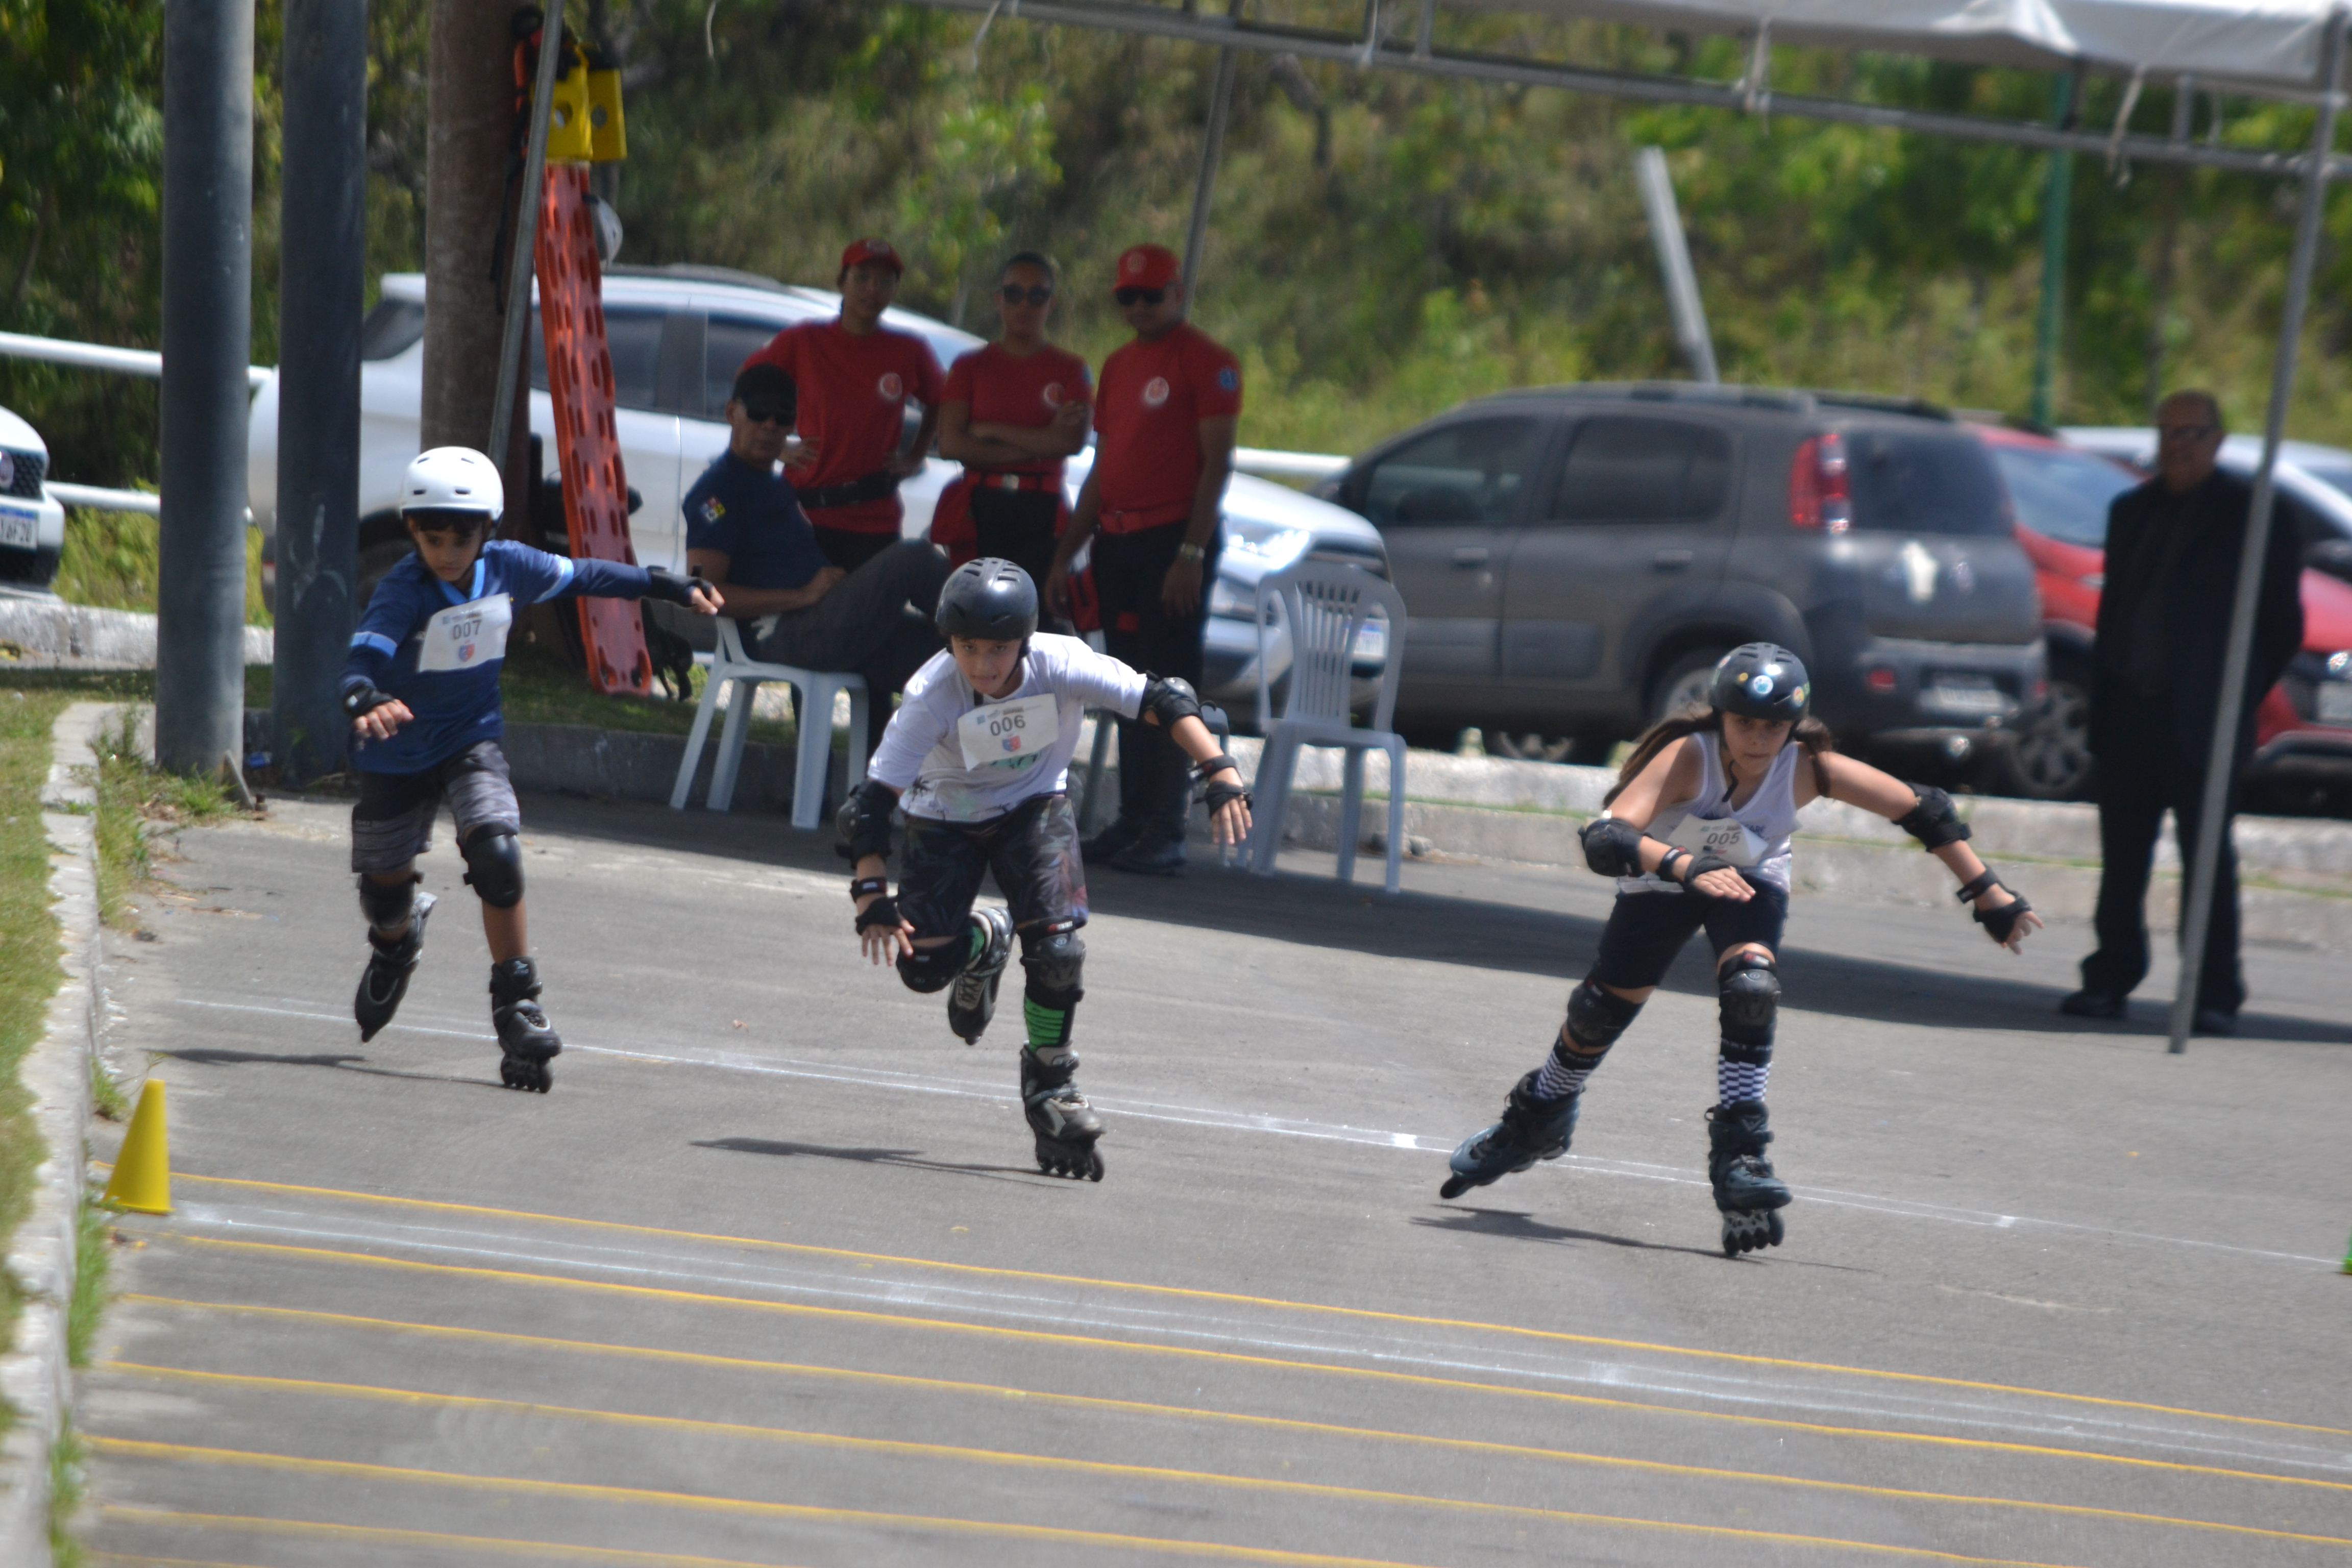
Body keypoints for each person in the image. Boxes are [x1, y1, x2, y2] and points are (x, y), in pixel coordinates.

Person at [1436, 645, 2041, 1256]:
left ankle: (1742, 1157)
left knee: (1752, 989)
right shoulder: (1687, 756)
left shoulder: (1808, 765)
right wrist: (1684, 865)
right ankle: (1538, 1116)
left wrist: (1987, 892)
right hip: (1662, 877)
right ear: (1722, 717)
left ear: (1793, 726)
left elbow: (1925, 809)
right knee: (1596, 1015)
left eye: (1773, 726)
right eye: (1745, 723)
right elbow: (1607, 835)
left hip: (1749, 882)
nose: (1758, 739)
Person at [840, 558, 1252, 1180]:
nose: (983, 665)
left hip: (1034, 807)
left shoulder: (1062, 662)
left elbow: (1163, 701)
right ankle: (983, 939)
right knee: (922, 968)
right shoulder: (932, 694)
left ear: (1025, 642)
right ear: (949, 642)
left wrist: (1219, 770)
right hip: (944, 815)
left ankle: (1051, 1080)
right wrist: (872, 895)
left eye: (998, 649)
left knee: (1059, 950)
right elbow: (868, 807)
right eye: (968, 648)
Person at [341, 447, 718, 1092]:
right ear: (413, 534)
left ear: (487, 530)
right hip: (398, 749)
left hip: (470, 740)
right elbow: (367, 650)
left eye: (462, 538)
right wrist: (362, 695)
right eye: (433, 540)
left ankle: (517, 1002)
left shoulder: (508, 566)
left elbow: (588, 576)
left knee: (498, 857)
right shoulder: (405, 588)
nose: (448, 553)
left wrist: (663, 584)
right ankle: (397, 941)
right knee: (385, 895)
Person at [2062, 390, 2305, 1035]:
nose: (2177, 444)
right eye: (2168, 432)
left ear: (2219, 440)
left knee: (2208, 862)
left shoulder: (2253, 513)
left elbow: (2282, 625)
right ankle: (2110, 977)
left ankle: (2214, 992)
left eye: (2192, 433)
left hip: (2204, 720)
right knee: (2123, 862)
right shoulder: (2133, 509)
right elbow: (2115, 610)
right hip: (2132, 714)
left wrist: (2236, 699)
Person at [1043, 242, 1240, 877]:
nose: (1139, 306)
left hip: (1170, 540)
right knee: (1129, 687)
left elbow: (1217, 464)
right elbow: (1105, 464)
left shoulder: (1207, 362)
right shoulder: (1121, 364)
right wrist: (1067, 551)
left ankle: (1166, 827)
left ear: (1177, 294)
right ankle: (1134, 819)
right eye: (1127, 296)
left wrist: (1192, 549)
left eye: (1151, 295)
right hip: (1118, 541)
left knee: (1171, 685)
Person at [685, 361, 950, 700]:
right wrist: (802, 596)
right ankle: (1012, 632)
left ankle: (1018, 686)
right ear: (732, 413)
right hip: (778, 634)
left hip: (819, 623)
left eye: (781, 417)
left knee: (960, 657)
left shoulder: (773, 484)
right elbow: (702, 596)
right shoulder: (717, 494)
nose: (769, 425)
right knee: (913, 559)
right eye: (758, 413)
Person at [747, 237, 946, 572]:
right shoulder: (804, 340)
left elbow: (943, 403)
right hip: (802, 513)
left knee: (870, 616)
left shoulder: (909, 350)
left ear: (896, 291)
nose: (873, 289)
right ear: (842, 282)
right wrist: (777, 447)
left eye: (885, 282)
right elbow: (747, 387)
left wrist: (915, 456)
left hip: (873, 520)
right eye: (863, 278)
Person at [935, 251, 1092, 625]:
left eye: (1036, 295)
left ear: (1051, 303)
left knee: (1033, 623)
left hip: (1041, 509)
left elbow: (1070, 443)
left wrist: (990, 431)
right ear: (998, 300)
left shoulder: (1070, 368)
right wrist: (1041, 441)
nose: (1025, 304)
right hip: (980, 507)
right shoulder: (970, 366)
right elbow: (952, 444)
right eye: (1014, 294)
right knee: (973, 619)